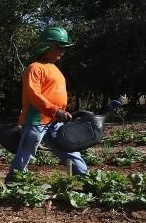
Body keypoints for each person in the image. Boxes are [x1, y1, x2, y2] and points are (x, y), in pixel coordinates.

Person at [5, 26, 88, 183]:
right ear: (46, 46)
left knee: (68, 148)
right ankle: (12, 182)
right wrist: (55, 111)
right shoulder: (34, 68)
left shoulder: (54, 69)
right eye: (59, 47)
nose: (62, 52)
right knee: (26, 152)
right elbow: (34, 95)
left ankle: (86, 179)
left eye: (64, 48)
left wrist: (60, 112)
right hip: (37, 120)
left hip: (55, 120)